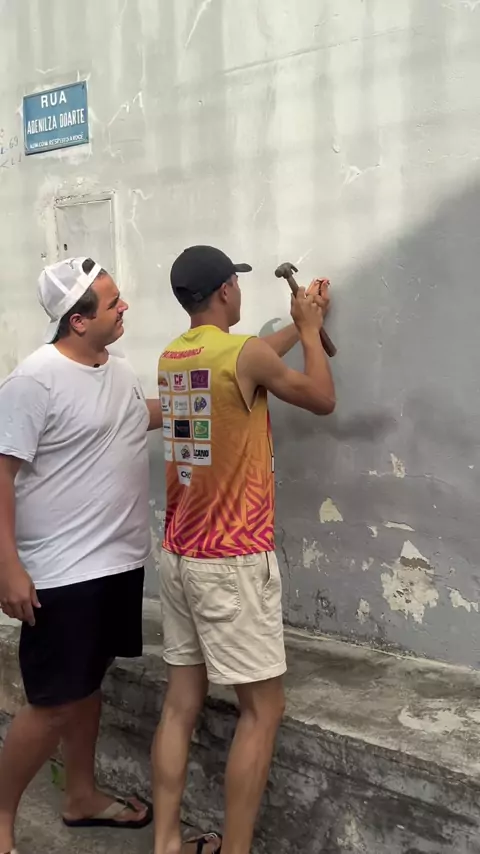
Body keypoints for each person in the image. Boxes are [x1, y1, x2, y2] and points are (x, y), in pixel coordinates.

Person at [152, 245, 336, 854]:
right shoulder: (241, 355)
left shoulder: (175, 355)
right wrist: (309, 333)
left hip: (180, 555)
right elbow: (321, 397)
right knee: (262, 711)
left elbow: (250, 361)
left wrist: (301, 322)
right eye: (236, 283)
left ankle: (166, 843)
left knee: (180, 705)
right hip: (230, 562)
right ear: (227, 290)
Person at [0, 257, 163, 854]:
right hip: (61, 575)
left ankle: (81, 796)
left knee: (88, 686)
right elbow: (1, 472)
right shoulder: (33, 381)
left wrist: (226, 378)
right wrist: (7, 567)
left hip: (116, 565)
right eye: (114, 302)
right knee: (50, 705)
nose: (125, 308)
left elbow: (137, 417)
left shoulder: (117, 371)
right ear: (77, 320)